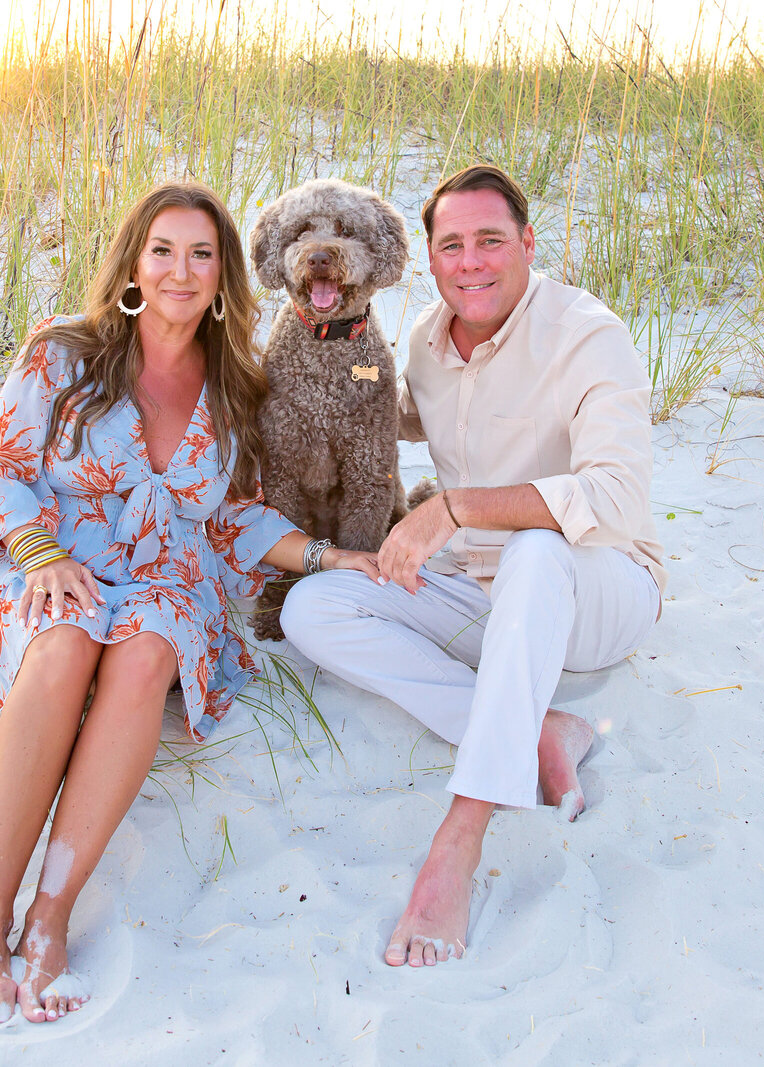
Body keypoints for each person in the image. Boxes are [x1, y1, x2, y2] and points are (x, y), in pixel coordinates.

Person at [0, 182, 381, 1024]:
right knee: (67, 641)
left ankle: (51, 913)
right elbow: (1, 468)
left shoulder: (236, 387)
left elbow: (231, 517)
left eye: (202, 254)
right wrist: (39, 554)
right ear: (135, 264)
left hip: (159, 575)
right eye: (164, 250)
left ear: (223, 276)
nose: (182, 270)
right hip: (48, 557)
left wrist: (331, 555)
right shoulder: (62, 353)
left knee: (146, 651)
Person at [281, 165, 667, 968]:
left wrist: (456, 507)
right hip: (478, 590)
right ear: (429, 259)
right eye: (452, 245)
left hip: (596, 589)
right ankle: (539, 729)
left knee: (533, 548)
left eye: (491, 240)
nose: (472, 261)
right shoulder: (423, 338)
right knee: (311, 608)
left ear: (527, 243)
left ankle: (460, 835)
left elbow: (618, 497)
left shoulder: (589, 333)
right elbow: (378, 411)